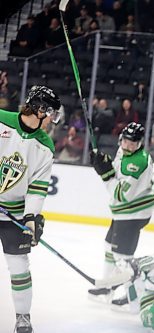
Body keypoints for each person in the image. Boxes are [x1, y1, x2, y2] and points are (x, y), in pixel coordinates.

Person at [0, 85, 61, 333]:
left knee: (19, 267)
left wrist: (31, 218)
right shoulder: (1, 120)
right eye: (51, 113)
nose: (52, 119)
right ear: (39, 109)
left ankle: (23, 317)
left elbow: (37, 186)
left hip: (13, 214)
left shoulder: (45, 146)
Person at [88, 122, 154, 304]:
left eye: (133, 144)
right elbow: (117, 172)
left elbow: (121, 195)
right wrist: (104, 162)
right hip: (124, 213)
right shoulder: (125, 151)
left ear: (139, 143)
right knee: (109, 246)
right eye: (125, 142)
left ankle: (134, 297)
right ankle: (106, 287)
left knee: (124, 259)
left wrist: (105, 174)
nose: (128, 146)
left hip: (133, 214)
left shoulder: (137, 162)